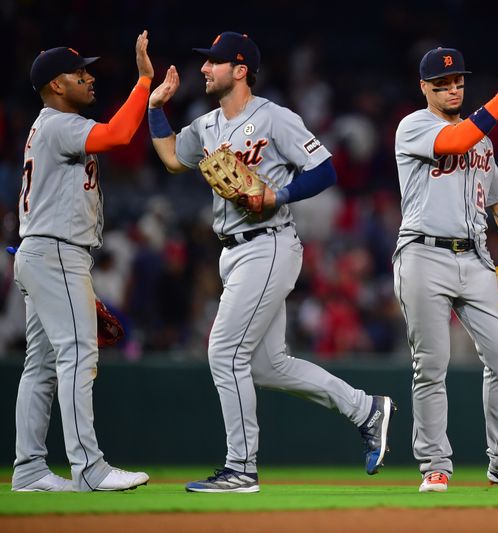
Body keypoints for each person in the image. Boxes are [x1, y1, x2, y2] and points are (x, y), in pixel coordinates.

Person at [146, 32, 394, 493]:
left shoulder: (275, 118)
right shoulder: (204, 126)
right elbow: (170, 158)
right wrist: (156, 107)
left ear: (240, 70)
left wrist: (279, 194)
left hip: (269, 243)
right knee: (268, 365)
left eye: (214, 62)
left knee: (224, 352)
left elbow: (325, 170)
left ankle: (240, 468)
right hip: (232, 251)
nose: (204, 69)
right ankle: (367, 409)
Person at [393, 46, 498, 493]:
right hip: (423, 254)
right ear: (424, 87)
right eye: (442, 84)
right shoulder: (414, 126)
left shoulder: (482, 139)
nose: (451, 89)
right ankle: (434, 464)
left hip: (476, 257)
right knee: (432, 364)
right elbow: (454, 141)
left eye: (458, 82)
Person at [12, 33, 155, 492]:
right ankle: (89, 468)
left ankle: (30, 469)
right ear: (56, 84)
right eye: (80, 73)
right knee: (76, 354)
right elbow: (118, 134)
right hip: (56, 251)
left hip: (41, 251)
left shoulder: (49, 125)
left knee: (41, 365)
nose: (89, 77)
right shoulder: (57, 123)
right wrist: (145, 82)